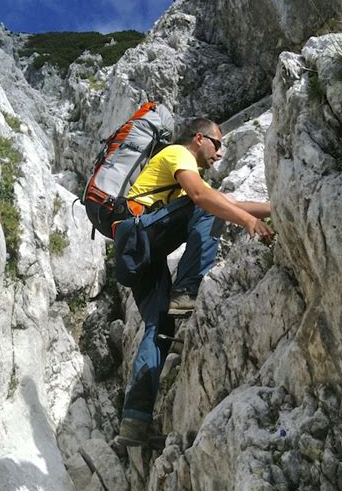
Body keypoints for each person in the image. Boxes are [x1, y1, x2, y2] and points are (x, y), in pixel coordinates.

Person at [114, 118, 273, 447]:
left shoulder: (186, 168)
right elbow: (203, 199)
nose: (219, 152)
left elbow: (221, 203)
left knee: (159, 329)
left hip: (138, 251)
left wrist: (272, 209)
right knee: (209, 203)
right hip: (142, 234)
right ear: (198, 138)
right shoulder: (177, 154)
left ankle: (134, 422)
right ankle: (186, 292)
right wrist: (247, 222)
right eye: (217, 143)